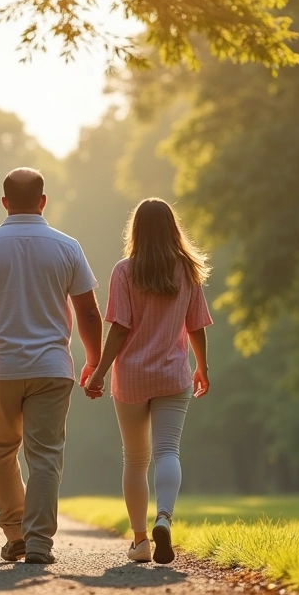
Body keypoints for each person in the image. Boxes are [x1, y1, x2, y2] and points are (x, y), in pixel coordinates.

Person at [0, 167, 103, 565]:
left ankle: (15, 533)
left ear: (4, 202)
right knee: (45, 456)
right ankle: (39, 543)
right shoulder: (67, 247)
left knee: (1, 452)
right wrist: (94, 360)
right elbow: (88, 312)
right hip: (52, 367)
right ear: (43, 201)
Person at [84, 197, 212, 565]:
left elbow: (119, 329)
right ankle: (164, 518)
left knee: (135, 459)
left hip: (132, 378)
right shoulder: (187, 270)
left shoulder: (125, 271)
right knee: (168, 451)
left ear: (136, 230)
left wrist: (100, 371)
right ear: (173, 229)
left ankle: (140, 540)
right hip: (173, 374)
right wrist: (202, 367)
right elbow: (196, 326)